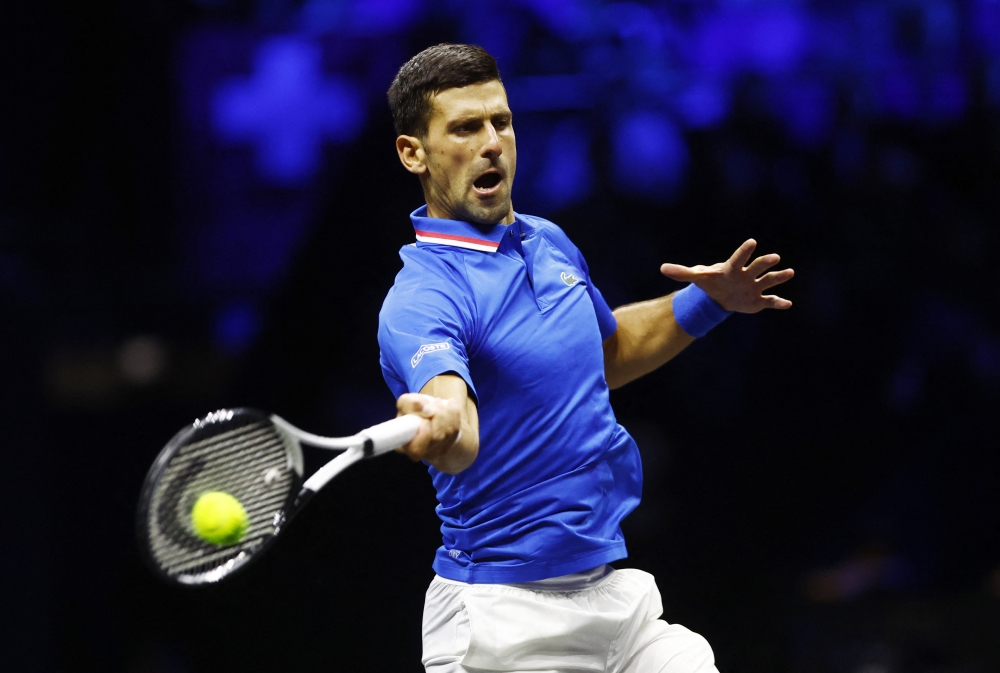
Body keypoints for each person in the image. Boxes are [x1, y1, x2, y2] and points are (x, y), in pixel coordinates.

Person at [378, 44, 793, 673]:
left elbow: (605, 354)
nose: (493, 143)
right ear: (414, 153)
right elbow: (454, 422)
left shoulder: (548, 241)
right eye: (466, 128)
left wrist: (705, 302)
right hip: (501, 619)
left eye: (502, 121)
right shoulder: (421, 299)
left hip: (611, 596)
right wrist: (439, 426)